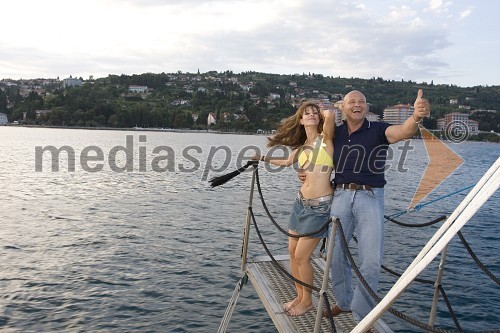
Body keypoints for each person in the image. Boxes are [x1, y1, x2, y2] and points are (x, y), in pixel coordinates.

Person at [300, 89, 430, 322]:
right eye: (352, 102)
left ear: (367, 107)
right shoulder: (335, 133)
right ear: (344, 107)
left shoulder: (378, 130)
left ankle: (362, 315)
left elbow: (403, 131)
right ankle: (344, 301)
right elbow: (318, 157)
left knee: (370, 261)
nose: (357, 105)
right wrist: (306, 174)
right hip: (340, 195)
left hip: (370, 198)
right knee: (335, 256)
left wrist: (416, 117)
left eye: (361, 102)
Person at [253, 100, 335, 316]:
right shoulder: (302, 147)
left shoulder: (325, 139)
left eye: (314, 113)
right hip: (300, 204)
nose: (311, 115)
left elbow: (331, 117)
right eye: (306, 113)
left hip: (319, 208)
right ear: (300, 119)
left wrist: (323, 110)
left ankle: (307, 301)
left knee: (302, 256)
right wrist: (261, 157)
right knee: (292, 252)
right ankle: (299, 296)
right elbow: (287, 162)